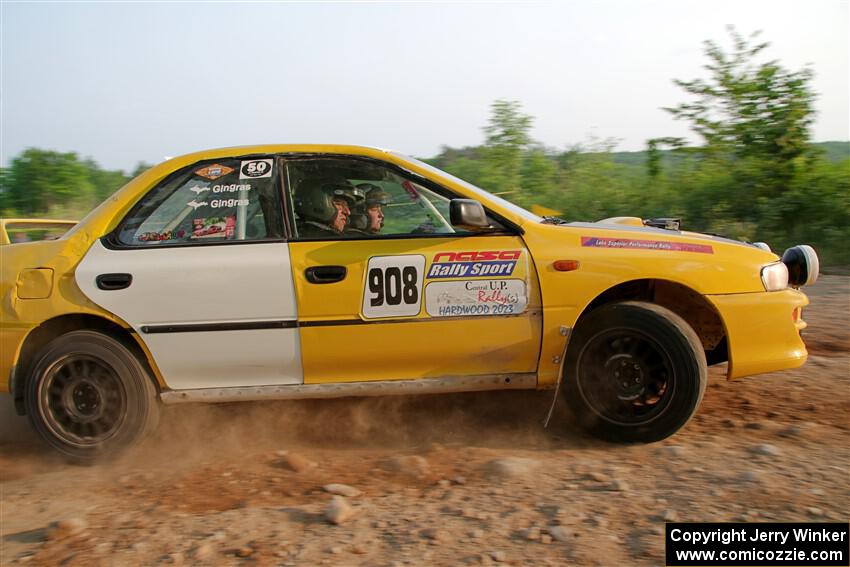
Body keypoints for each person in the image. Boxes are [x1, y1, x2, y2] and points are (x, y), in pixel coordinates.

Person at [294, 179, 364, 237]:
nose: (348, 212)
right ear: (318, 203)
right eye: (339, 204)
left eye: (347, 206)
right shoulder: (323, 238)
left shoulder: (298, 232)